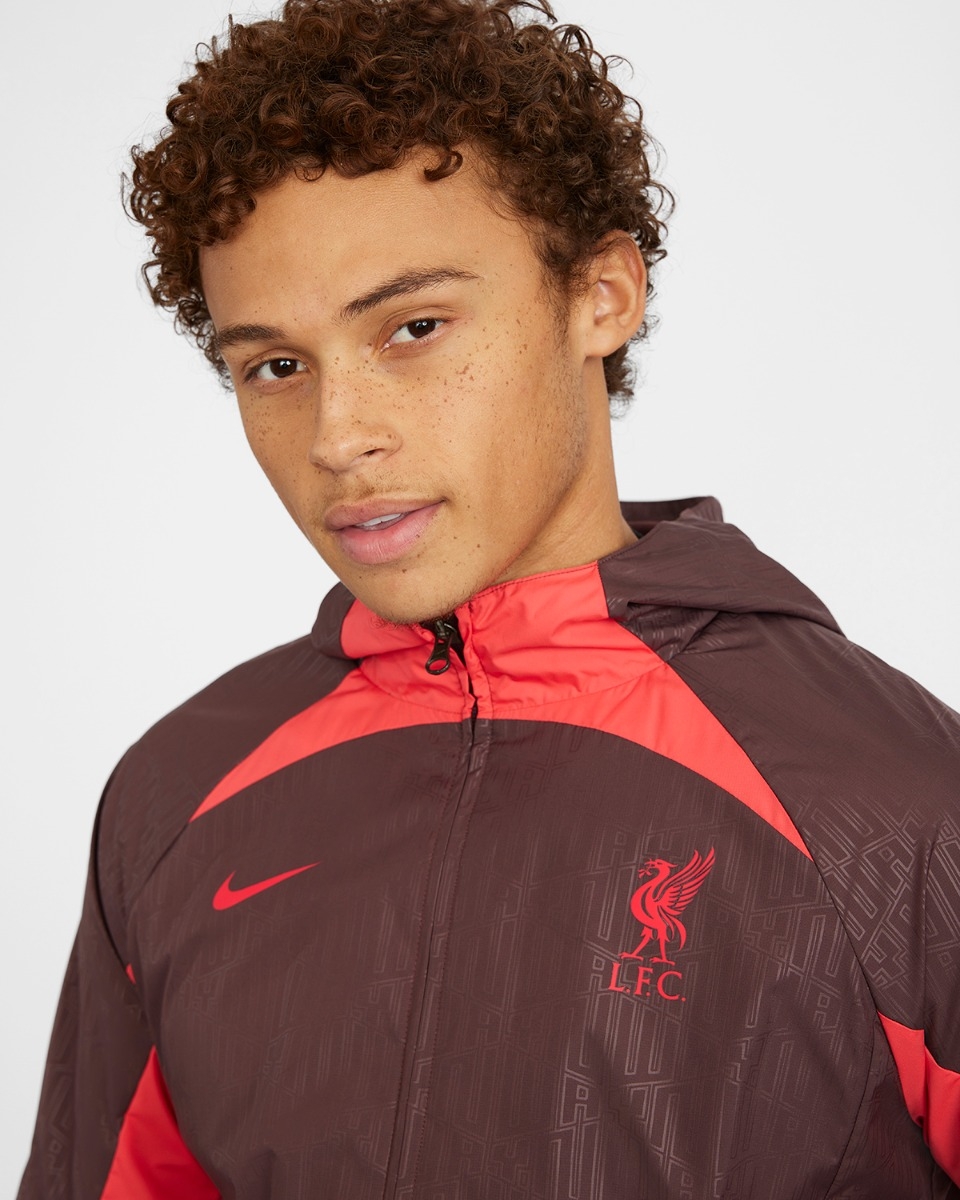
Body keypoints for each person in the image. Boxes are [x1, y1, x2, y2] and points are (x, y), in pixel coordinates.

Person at [18, 0, 960, 1195]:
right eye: (276, 365)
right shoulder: (177, 797)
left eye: (413, 327)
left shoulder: (893, 809)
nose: (338, 436)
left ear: (601, 295)